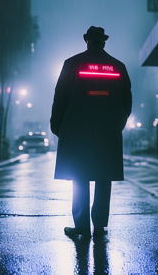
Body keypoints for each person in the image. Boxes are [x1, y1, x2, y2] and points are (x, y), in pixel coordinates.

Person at [50, 26, 132, 238]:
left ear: (87, 41)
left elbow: (60, 98)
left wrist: (58, 127)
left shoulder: (72, 64)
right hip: (107, 132)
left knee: (80, 177)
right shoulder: (118, 66)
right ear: (103, 42)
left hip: (77, 131)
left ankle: (82, 227)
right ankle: (99, 226)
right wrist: (117, 124)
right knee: (104, 177)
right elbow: (126, 102)